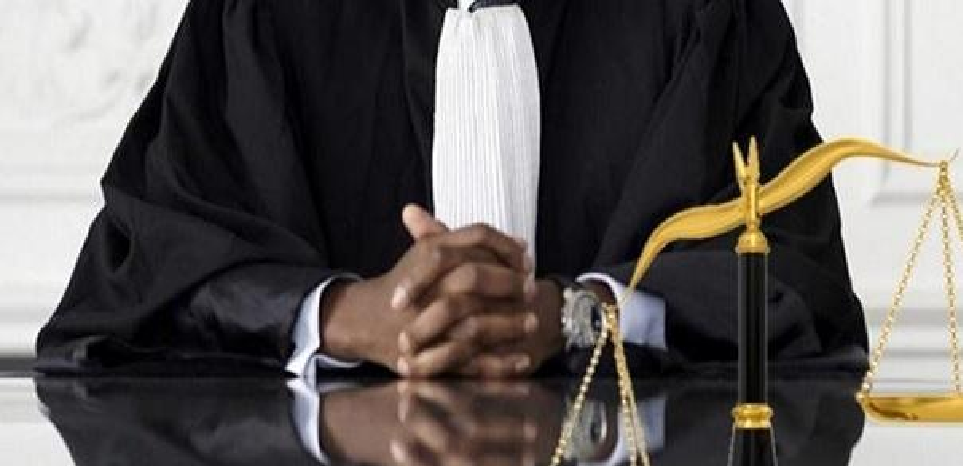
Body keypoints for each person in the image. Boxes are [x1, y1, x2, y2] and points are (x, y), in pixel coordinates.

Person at [35, 0, 867, 378]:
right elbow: (142, 275)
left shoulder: (706, 13)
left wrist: (574, 317)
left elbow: (798, 288)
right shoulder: (261, 15)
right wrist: (341, 316)